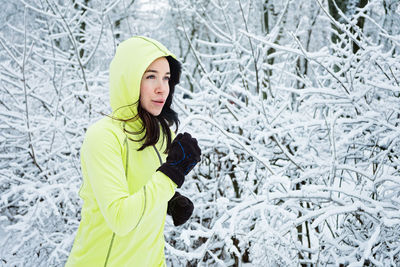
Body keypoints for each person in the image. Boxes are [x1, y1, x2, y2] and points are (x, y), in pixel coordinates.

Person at [65, 36, 201, 266]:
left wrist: (170, 200)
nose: (162, 88)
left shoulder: (159, 134)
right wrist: (173, 173)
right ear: (128, 80)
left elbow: (140, 184)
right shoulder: (104, 136)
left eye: (166, 78)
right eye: (151, 77)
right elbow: (120, 218)